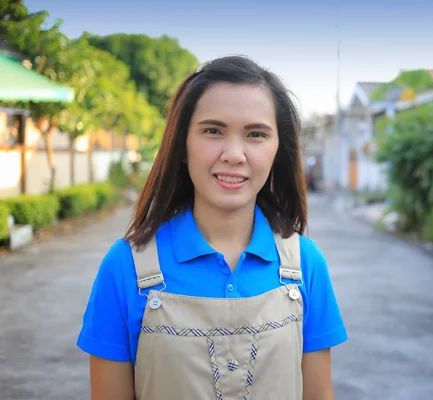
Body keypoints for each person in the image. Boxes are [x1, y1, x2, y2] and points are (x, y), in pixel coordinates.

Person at [77, 55, 348, 400]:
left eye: (256, 134)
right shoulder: (124, 266)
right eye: (213, 131)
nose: (234, 154)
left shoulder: (305, 264)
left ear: (278, 149)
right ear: (183, 145)